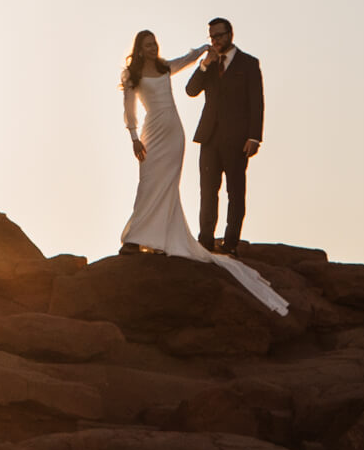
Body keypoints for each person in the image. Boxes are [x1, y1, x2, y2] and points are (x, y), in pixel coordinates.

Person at [119, 27, 286, 314]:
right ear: (138, 47)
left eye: (154, 43)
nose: (152, 47)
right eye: (147, 44)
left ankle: (157, 239)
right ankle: (139, 236)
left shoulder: (164, 67)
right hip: (152, 133)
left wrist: (202, 52)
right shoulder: (132, 76)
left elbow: (186, 59)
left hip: (174, 132)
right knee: (147, 183)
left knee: (169, 185)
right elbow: (131, 108)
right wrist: (134, 137)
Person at [184, 17, 264, 256]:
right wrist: (204, 65)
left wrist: (254, 136)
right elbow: (191, 91)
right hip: (209, 136)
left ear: (230, 34)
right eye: (212, 37)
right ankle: (205, 240)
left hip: (238, 139)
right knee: (207, 190)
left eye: (219, 36)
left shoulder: (248, 63)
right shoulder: (209, 64)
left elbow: (257, 102)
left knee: (235, 192)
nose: (216, 41)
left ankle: (231, 243)